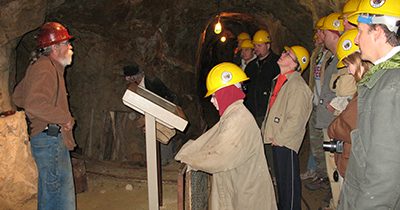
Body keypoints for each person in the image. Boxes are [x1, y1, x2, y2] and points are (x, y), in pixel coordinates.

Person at [175, 62, 277, 210]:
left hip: (247, 193)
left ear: (226, 93)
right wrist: (188, 151)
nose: (211, 100)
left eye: (215, 95)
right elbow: (211, 137)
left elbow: (219, 156)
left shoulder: (238, 120)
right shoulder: (232, 115)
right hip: (237, 184)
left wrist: (190, 159)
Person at [338, 0, 400, 209]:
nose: (356, 40)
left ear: (379, 33)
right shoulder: (386, 77)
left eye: (361, 31)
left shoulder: (391, 86)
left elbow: (384, 172)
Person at [12, 22, 76, 210]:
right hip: (51, 142)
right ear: (55, 48)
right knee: (59, 200)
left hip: (48, 140)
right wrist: (64, 117)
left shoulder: (44, 67)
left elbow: (18, 95)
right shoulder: (45, 68)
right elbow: (34, 103)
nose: (71, 47)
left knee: (51, 196)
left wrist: (49, 116)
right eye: (66, 43)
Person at [262, 45, 312, 210]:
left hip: (286, 142)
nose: (282, 54)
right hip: (278, 139)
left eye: (288, 54)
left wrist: (280, 139)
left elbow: (296, 119)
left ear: (295, 64)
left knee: (289, 184)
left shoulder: (297, 86)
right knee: (282, 182)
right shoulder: (281, 80)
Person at [328, 28, 370, 183]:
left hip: (356, 165)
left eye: (348, 64)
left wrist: (333, 128)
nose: (348, 70)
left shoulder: (367, 91)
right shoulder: (363, 88)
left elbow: (347, 123)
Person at [123, 64, 178, 165]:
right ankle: (155, 161)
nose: (128, 81)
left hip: (163, 112)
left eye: (130, 78)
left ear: (134, 76)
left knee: (163, 134)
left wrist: (162, 113)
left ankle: (166, 161)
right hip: (150, 115)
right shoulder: (135, 86)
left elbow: (169, 98)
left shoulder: (153, 82)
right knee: (151, 135)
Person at [301, 16, 329, 181]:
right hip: (315, 102)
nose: (317, 34)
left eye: (320, 31)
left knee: (325, 143)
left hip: (325, 105)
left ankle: (324, 175)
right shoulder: (317, 53)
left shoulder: (333, 54)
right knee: (315, 141)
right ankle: (317, 171)